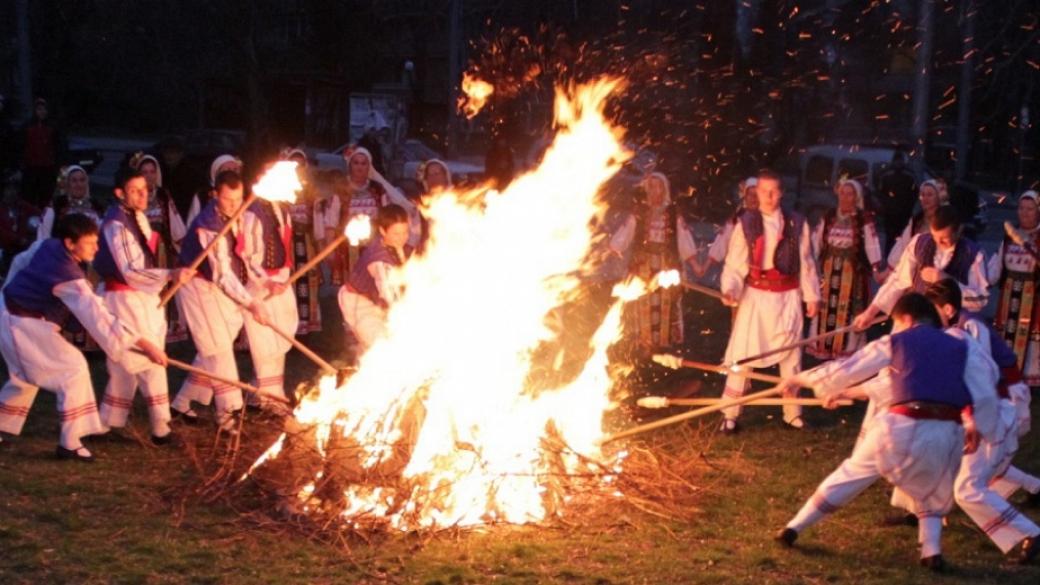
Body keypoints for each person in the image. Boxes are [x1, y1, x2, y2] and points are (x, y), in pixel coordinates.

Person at [775, 293, 999, 571]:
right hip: (946, 433)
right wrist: (977, 425)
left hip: (901, 429)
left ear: (905, 319)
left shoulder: (896, 341)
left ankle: (793, 528)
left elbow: (846, 369)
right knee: (931, 486)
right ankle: (931, 551)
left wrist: (798, 378)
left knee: (850, 473)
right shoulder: (962, 346)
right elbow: (985, 387)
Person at [0, 214, 167, 461]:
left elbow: (22, 264)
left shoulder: (49, 245)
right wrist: (144, 344)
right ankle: (70, 442)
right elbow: (98, 315)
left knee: (25, 378)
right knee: (73, 368)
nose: (96, 248)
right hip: (21, 322)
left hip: (18, 316)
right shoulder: (67, 273)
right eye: (90, 243)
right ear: (70, 243)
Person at [924, 279, 1040, 563]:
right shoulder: (953, 331)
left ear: (948, 309)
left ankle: (1032, 533)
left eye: (931, 311)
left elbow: (982, 375)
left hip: (1000, 403)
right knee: (990, 467)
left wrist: (971, 419)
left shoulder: (966, 330)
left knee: (970, 485)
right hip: (992, 407)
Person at [94, 169, 194, 445]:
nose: (143, 194)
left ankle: (105, 422)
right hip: (126, 298)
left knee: (126, 363)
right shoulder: (117, 224)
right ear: (120, 193)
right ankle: (162, 429)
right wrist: (169, 275)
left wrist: (163, 278)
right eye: (135, 190)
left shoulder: (137, 217)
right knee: (151, 359)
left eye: (145, 189)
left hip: (143, 297)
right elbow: (130, 270)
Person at [718, 169, 821, 432]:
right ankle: (730, 414)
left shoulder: (797, 222)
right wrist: (730, 288)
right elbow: (734, 262)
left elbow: (807, 262)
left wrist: (811, 296)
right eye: (764, 191)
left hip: (787, 297)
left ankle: (792, 414)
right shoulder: (747, 222)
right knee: (743, 355)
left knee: (791, 357)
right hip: (755, 299)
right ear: (756, 192)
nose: (769, 196)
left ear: (782, 193)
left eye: (774, 191)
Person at [170, 170, 269, 433]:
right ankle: (227, 413)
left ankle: (180, 403)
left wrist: (260, 282)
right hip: (197, 284)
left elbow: (241, 257)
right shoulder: (208, 224)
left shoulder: (235, 214)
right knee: (218, 348)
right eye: (227, 200)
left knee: (215, 344)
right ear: (215, 195)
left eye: (238, 199)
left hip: (215, 285)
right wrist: (251, 303)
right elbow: (222, 273)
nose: (234, 205)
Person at [853, 205, 988, 330]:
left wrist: (946, 280)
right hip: (916, 323)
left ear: (959, 230)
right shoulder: (919, 242)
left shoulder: (974, 254)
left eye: (944, 239)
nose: (938, 242)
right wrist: (870, 312)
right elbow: (897, 281)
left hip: (949, 331)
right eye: (934, 236)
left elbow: (981, 299)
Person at [608, 172, 697, 353]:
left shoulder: (673, 214)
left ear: (665, 190)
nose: (655, 191)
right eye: (652, 187)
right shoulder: (639, 212)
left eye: (659, 187)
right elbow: (625, 233)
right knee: (643, 300)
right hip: (643, 265)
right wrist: (613, 247)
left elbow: (683, 239)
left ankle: (665, 345)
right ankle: (644, 345)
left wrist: (695, 265)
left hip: (667, 265)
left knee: (667, 301)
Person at [316, 147, 419, 284]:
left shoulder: (378, 189)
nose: (360, 167)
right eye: (356, 163)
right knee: (351, 285)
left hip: (374, 246)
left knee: (376, 283)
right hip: (347, 246)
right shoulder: (341, 189)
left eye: (364, 163)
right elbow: (331, 220)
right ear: (350, 165)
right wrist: (330, 249)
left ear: (369, 166)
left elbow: (387, 215)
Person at [241, 170, 300, 408]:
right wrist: (266, 282)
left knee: (280, 336)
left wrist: (285, 276)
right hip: (259, 285)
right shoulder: (252, 214)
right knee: (264, 340)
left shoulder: (282, 208)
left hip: (281, 280)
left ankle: (262, 394)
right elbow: (248, 257)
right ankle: (270, 399)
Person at [807, 179, 883, 359]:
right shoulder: (829, 215)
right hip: (828, 272)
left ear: (856, 197)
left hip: (852, 276)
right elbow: (817, 240)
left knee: (848, 310)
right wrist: (810, 262)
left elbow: (872, 245)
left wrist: (876, 268)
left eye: (850, 194)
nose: (845, 197)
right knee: (826, 309)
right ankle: (824, 350)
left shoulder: (863, 218)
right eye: (842, 193)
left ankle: (845, 353)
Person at [131, 152, 189, 343]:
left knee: (163, 287)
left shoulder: (163, 196)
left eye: (152, 172)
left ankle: (166, 327)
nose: (149, 176)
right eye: (144, 172)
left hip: (162, 251)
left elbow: (175, 224)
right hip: (140, 250)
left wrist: (182, 247)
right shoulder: (133, 197)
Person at [338, 204, 412, 354]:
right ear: (383, 231)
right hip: (359, 302)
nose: (402, 238)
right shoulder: (379, 260)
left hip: (377, 301)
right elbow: (390, 295)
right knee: (380, 348)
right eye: (396, 234)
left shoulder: (398, 246)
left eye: (405, 232)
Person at [989, 190, 1040, 387]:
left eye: (1030, 209)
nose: (1025, 213)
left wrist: (1028, 246)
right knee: (1007, 336)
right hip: (1010, 296)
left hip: (1033, 297)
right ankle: (1008, 377)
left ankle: (1030, 383)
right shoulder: (1009, 237)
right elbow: (996, 268)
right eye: (1021, 209)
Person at [282, 148, 322, 335]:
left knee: (307, 282)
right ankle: (289, 328)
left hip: (306, 242)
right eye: (293, 165)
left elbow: (317, 218)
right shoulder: (281, 190)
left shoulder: (310, 191)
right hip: (287, 243)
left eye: (300, 164)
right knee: (289, 283)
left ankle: (305, 328)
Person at [691, 177, 758, 278]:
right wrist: (706, 266)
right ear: (745, 196)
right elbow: (723, 240)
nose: (753, 198)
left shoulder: (768, 220)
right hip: (740, 270)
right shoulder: (737, 219)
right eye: (750, 194)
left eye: (756, 194)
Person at [883, 178, 949, 278]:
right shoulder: (916, 220)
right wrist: (889, 269)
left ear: (938, 197)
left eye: (930, 195)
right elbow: (903, 244)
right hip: (915, 272)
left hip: (938, 273)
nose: (925, 198)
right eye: (922, 195)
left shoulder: (946, 221)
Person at [19, 98, 66, 208]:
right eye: (39, 109)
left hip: (47, 168)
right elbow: (21, 145)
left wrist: (58, 163)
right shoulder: (27, 126)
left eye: (44, 109)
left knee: (45, 195)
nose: (42, 112)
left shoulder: (52, 127)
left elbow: (59, 146)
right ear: (35, 111)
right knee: (29, 196)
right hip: (31, 168)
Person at [37, 165, 102, 240]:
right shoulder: (56, 206)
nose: (79, 185)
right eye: (74, 181)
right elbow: (43, 237)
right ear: (67, 184)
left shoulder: (96, 205)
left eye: (82, 180)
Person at [0, 171, 41, 278]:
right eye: (8, 189)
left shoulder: (22, 206)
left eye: (14, 189)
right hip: (6, 252)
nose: (12, 192)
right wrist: (18, 239)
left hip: (24, 250)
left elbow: (41, 215)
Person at [877, 149, 917, 255]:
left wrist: (909, 207)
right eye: (897, 161)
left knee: (903, 236)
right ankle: (888, 256)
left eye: (900, 161)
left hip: (904, 212)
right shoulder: (886, 175)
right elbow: (880, 192)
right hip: (890, 212)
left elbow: (914, 194)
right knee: (890, 237)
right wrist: (885, 204)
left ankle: (900, 257)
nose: (898, 163)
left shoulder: (909, 176)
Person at [186, 154, 244, 226]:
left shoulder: (245, 193)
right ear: (216, 172)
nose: (231, 172)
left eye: (235, 169)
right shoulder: (202, 195)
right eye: (227, 169)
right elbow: (192, 223)